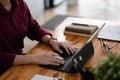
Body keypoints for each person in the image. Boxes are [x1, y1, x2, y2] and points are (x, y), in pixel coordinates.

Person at [0, 0, 75, 75]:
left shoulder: (19, 3)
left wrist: (51, 40)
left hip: (18, 63)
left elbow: (32, 27)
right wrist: (34, 58)